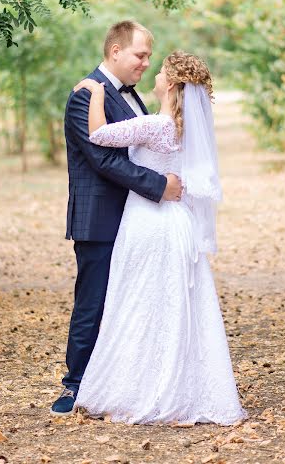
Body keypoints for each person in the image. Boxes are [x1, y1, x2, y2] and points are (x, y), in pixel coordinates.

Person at [72, 50, 248, 425]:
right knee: (175, 305)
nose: (152, 72)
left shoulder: (157, 125)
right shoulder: (182, 127)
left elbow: (99, 136)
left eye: (161, 70)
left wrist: (96, 91)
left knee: (140, 303)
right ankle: (184, 385)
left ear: (170, 84)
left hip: (149, 223)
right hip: (177, 223)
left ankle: (145, 388)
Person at [51, 21, 182, 416]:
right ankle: (75, 385)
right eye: (140, 55)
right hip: (100, 219)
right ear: (115, 52)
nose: (146, 63)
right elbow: (102, 158)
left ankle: (118, 381)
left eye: (147, 57)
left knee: (127, 303)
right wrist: (160, 186)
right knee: (93, 301)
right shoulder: (85, 95)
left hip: (134, 219)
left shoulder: (132, 97)